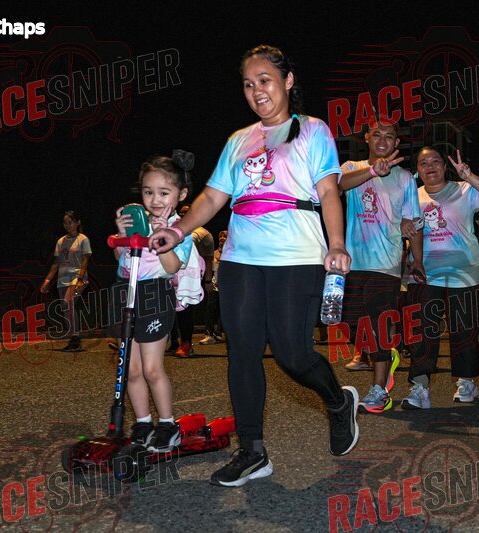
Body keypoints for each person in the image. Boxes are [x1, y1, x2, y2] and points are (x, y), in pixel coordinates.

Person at [150, 45, 359, 486]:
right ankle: (252, 452)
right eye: (248, 84)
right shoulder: (238, 140)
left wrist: (337, 243)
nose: (256, 91)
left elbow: (328, 191)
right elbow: (212, 197)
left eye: (265, 80)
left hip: (296, 255)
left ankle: (338, 402)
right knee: (242, 352)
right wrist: (179, 230)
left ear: (288, 81)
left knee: (292, 354)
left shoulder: (312, 130)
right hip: (241, 257)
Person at [399, 146, 479, 408]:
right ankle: (420, 386)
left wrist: (469, 176)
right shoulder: (411, 196)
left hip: (463, 272)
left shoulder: (464, 190)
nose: (430, 166)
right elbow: (399, 226)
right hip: (424, 273)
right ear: (417, 170)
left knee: (463, 328)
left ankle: (466, 381)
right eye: (424, 163)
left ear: (445, 166)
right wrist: (402, 225)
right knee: (423, 330)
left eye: (435, 161)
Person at [111, 152, 196, 453]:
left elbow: (172, 267)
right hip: (126, 292)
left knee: (151, 368)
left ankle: (168, 425)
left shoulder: (179, 228)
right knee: (130, 369)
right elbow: (122, 261)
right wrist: (123, 237)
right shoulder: (137, 220)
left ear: (181, 194)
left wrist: (162, 236)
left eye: (164, 192)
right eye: (148, 192)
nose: (155, 199)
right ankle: (143, 422)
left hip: (155, 295)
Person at [338, 120, 422, 413]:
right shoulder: (352, 167)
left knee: (379, 326)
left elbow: (414, 221)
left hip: (386, 263)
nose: (383, 140)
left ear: (396, 143)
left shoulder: (405, 178)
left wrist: (416, 257)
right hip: (352, 262)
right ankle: (386, 355)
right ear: (367, 138)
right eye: (377, 135)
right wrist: (373, 171)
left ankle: (379, 391)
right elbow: (337, 185)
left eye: (389, 136)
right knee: (347, 323)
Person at [40, 211, 91, 351]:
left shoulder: (83, 239)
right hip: (63, 278)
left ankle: (75, 338)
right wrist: (47, 280)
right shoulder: (61, 241)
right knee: (65, 307)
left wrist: (80, 278)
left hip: (76, 277)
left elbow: (85, 260)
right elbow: (56, 263)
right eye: (65, 223)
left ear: (78, 222)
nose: (67, 225)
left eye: (70, 222)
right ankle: (73, 338)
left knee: (68, 303)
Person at [171, 204, 215, 357]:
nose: (183, 214)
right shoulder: (170, 227)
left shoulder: (202, 234)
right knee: (168, 310)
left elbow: (208, 259)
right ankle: (173, 342)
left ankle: (186, 343)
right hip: (169, 273)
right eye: (181, 212)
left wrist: (208, 281)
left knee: (184, 310)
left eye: (187, 212)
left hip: (189, 278)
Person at [199, 229, 227, 345]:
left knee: (224, 310)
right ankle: (209, 334)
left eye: (225, 236)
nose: (222, 238)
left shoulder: (232, 253)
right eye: (220, 236)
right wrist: (208, 281)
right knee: (211, 308)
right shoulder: (214, 253)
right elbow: (209, 267)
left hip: (227, 286)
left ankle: (219, 332)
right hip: (215, 285)